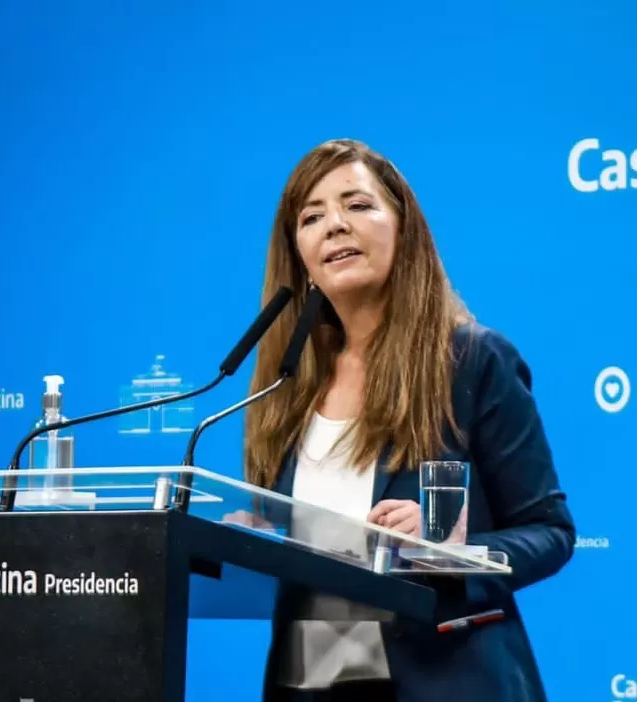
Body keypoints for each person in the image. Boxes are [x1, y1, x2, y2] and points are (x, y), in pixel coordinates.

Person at [242, 138, 575, 702]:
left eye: (358, 205)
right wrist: (252, 541)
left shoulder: (472, 360)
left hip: (447, 677)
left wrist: (450, 552)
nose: (335, 225)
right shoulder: (287, 386)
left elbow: (551, 532)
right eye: (312, 216)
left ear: (404, 228)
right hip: (315, 677)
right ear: (297, 253)